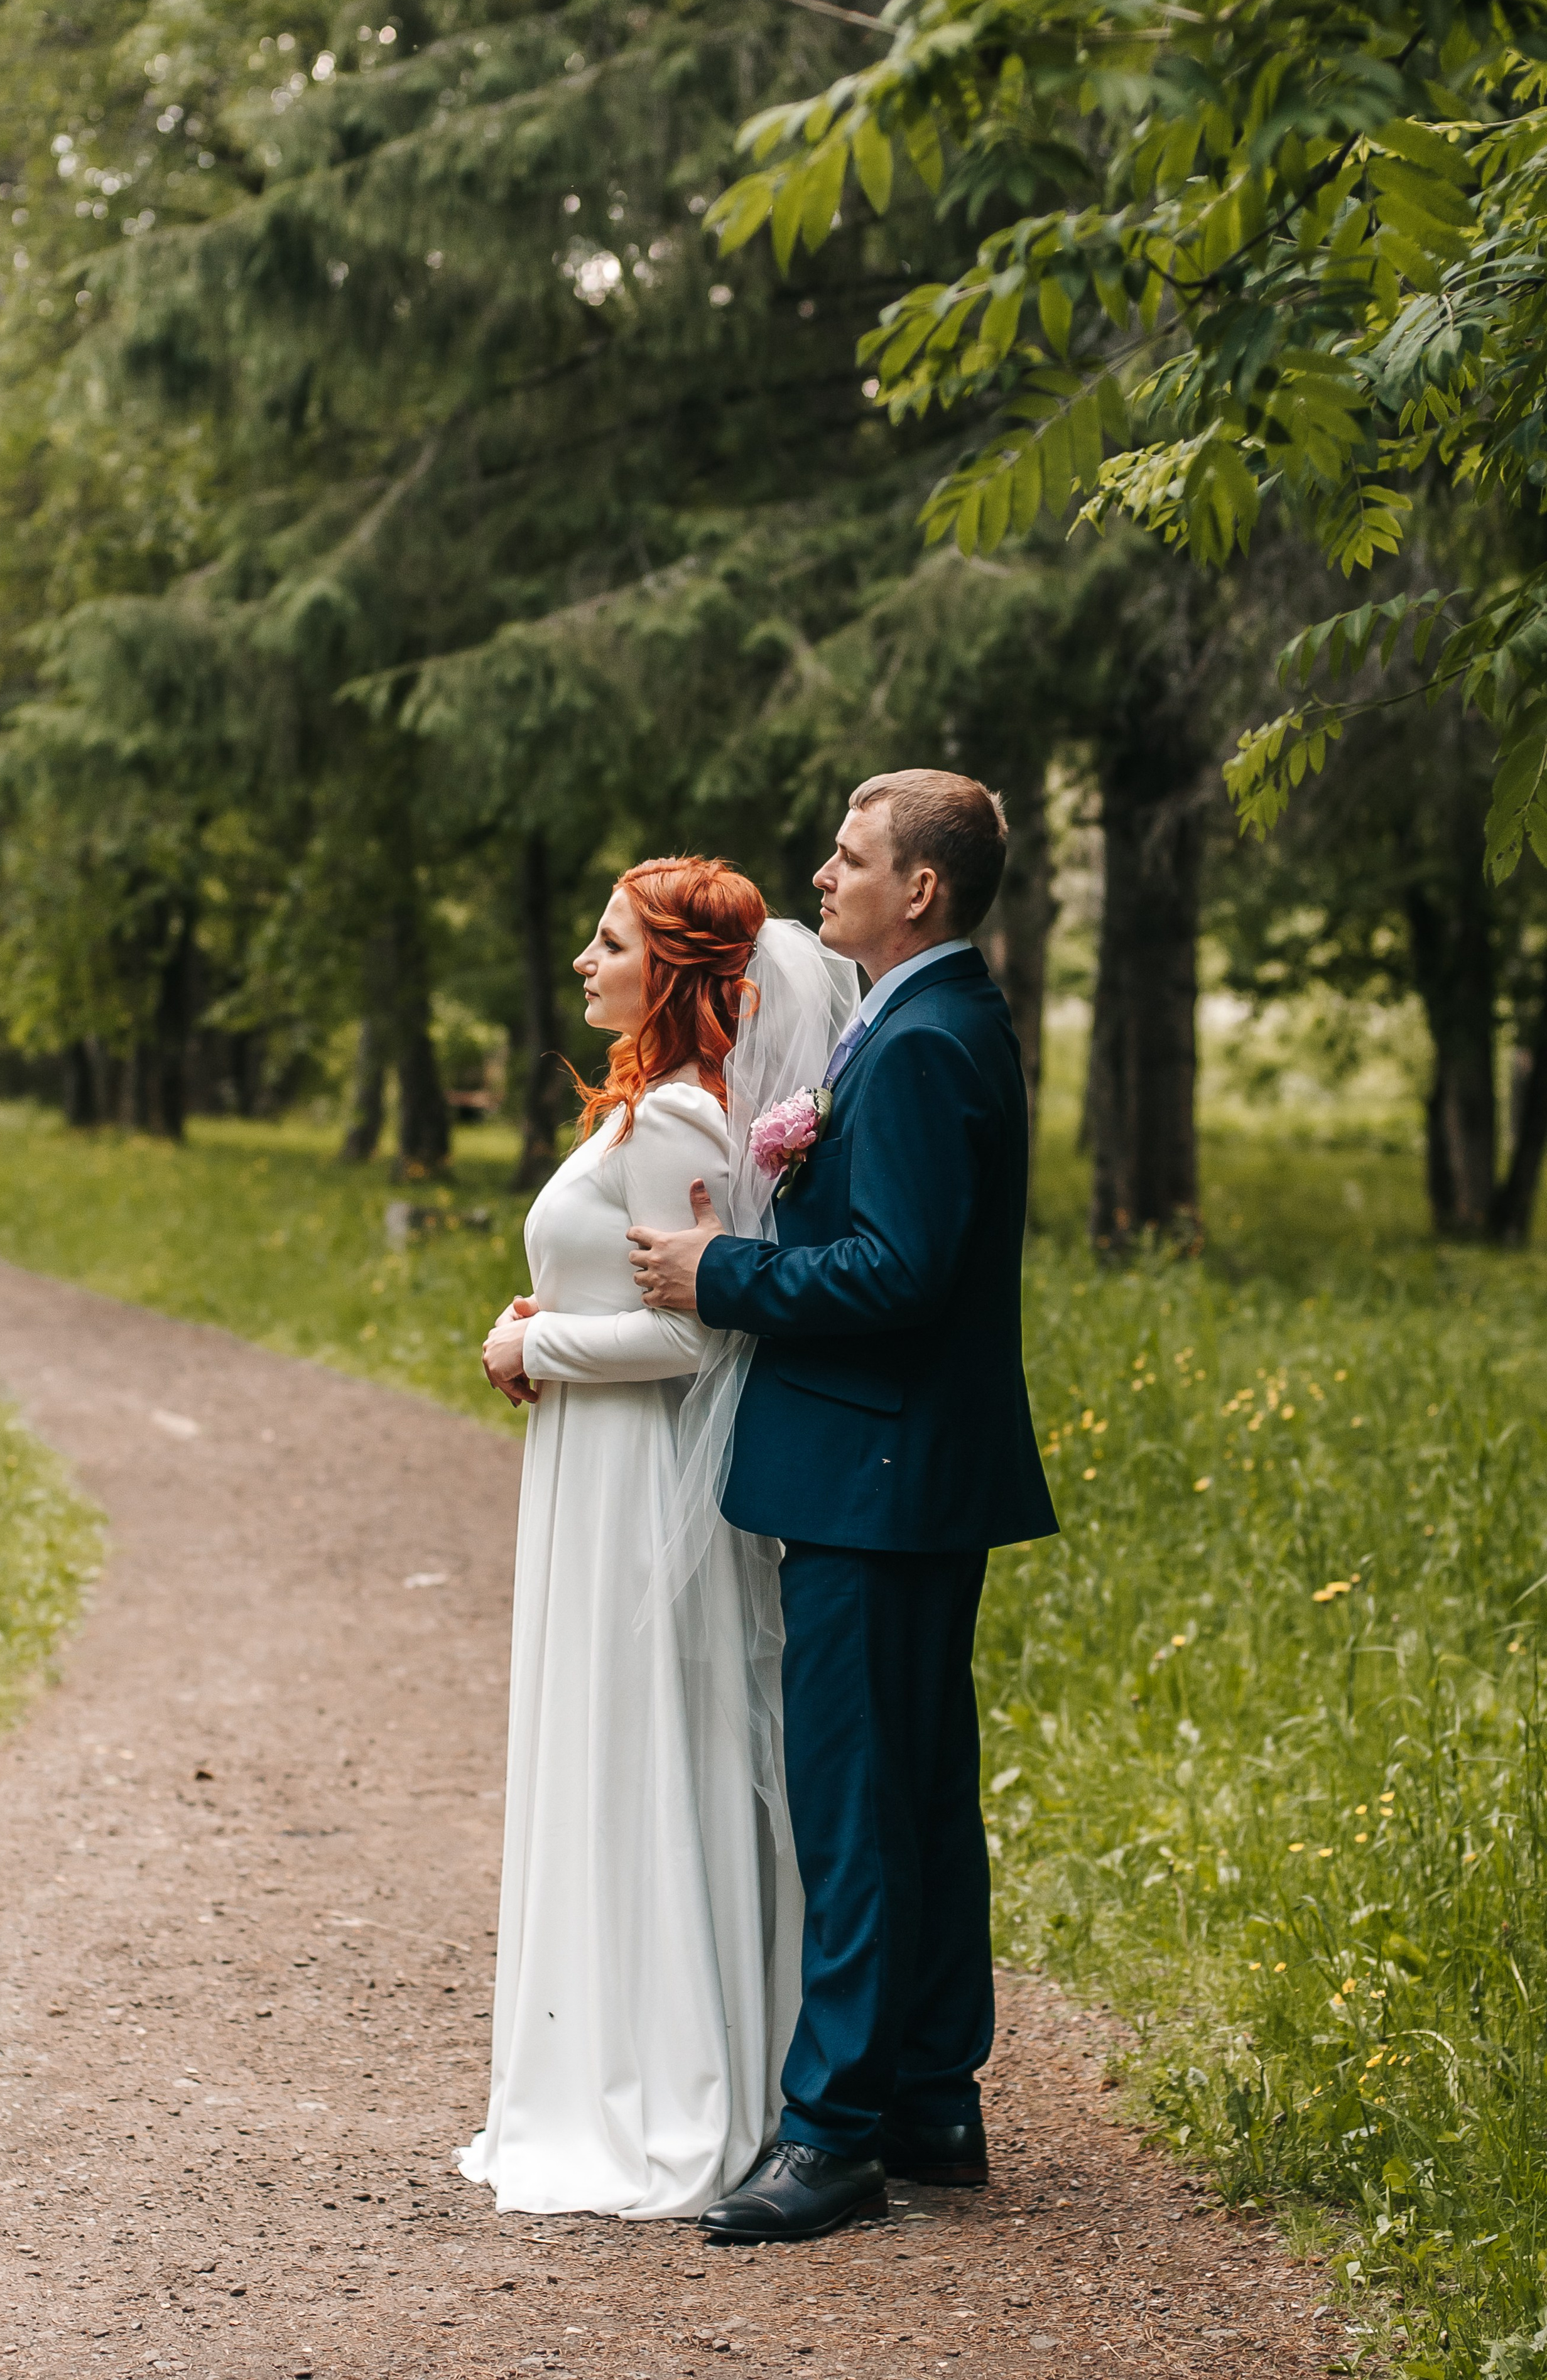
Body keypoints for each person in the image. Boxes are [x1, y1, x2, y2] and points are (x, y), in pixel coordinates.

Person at [628, 770, 1058, 2244]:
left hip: (878, 1477)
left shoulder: (929, 1041)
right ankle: (933, 2091)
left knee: (857, 1806)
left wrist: (720, 1277)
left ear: (918, 888)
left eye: (848, 855)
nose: (819, 875)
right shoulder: (917, 1019)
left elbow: (901, 1271)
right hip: (903, 1471)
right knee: (917, 1784)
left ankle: (834, 2130)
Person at [459, 855, 855, 2219]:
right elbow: (618, 1286)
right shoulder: (643, 1109)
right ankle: (591, 2059)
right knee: (601, 1743)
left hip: (637, 1484)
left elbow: (692, 1329)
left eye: (611, 940)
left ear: (672, 971)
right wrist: (547, 1330)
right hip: (591, 1463)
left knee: (644, 1749)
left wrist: (533, 1340)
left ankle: (674, 2081)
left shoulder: (685, 1119)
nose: (583, 957)